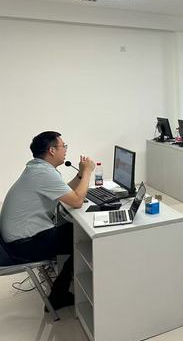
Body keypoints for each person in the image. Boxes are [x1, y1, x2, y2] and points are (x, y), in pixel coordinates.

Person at [0, 131, 96, 311]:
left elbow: (65, 191)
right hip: (23, 245)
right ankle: (58, 296)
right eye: (63, 146)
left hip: (15, 240)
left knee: (74, 231)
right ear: (52, 150)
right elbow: (76, 201)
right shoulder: (43, 173)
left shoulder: (38, 168)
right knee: (82, 238)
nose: (66, 150)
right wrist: (88, 172)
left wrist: (80, 176)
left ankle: (60, 290)